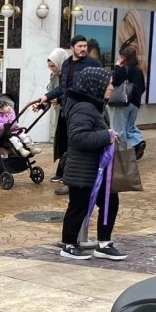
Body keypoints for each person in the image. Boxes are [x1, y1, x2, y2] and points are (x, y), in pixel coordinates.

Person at [59, 67, 127, 261]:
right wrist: (106, 136)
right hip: (82, 169)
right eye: (108, 84)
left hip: (97, 169)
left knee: (110, 202)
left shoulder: (96, 106)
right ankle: (69, 245)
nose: (111, 87)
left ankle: (104, 244)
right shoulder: (83, 108)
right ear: (96, 85)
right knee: (78, 207)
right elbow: (77, 137)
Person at [37, 35, 101, 194]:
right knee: (69, 147)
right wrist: (47, 96)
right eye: (80, 46)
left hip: (85, 113)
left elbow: (100, 86)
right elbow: (63, 88)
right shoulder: (66, 64)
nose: (83, 49)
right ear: (72, 48)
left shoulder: (93, 63)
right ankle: (70, 181)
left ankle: (74, 182)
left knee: (78, 148)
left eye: (85, 46)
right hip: (68, 113)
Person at [110, 41, 147, 159]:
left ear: (124, 58)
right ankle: (138, 142)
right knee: (129, 127)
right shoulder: (139, 70)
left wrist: (117, 67)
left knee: (120, 129)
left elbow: (113, 80)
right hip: (135, 104)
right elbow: (143, 87)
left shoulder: (123, 70)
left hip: (123, 103)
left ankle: (121, 155)